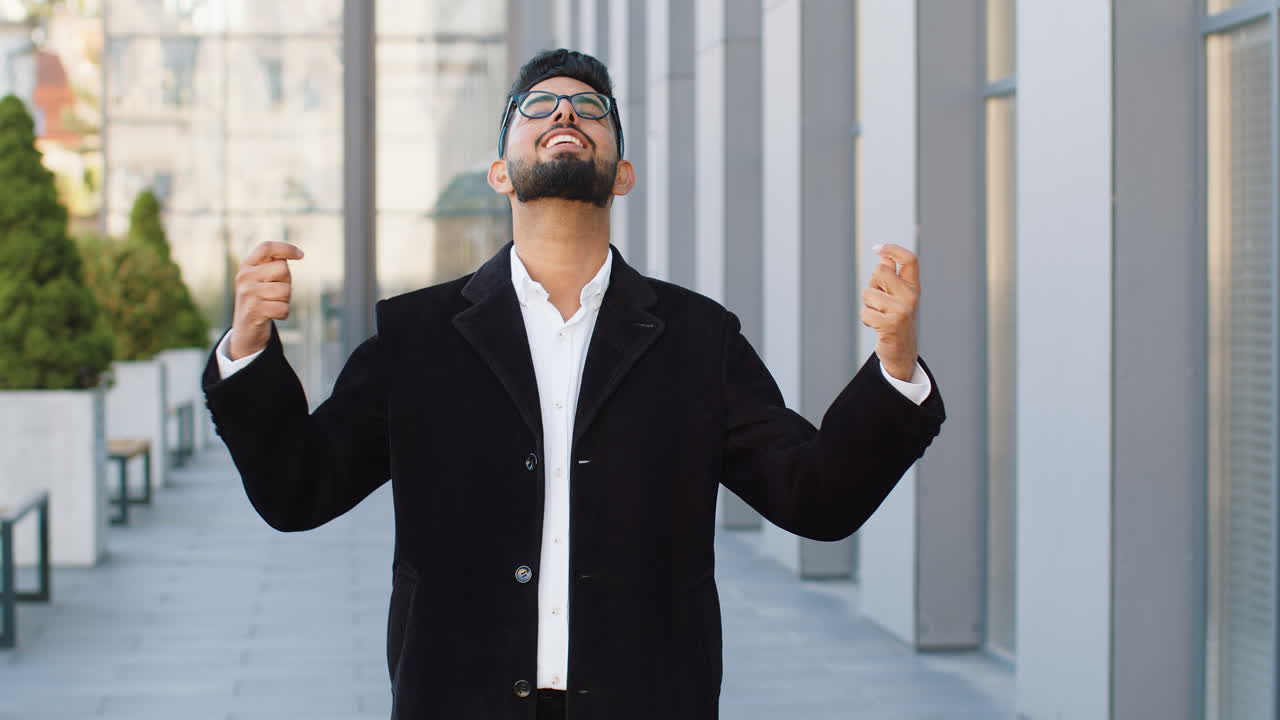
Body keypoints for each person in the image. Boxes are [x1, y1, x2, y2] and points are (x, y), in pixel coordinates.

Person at [203, 49, 945, 720]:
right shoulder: (416, 336)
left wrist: (896, 365)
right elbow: (299, 491)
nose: (565, 113)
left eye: (591, 109)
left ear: (623, 171)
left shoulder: (698, 338)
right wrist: (248, 348)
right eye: (538, 106)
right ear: (501, 170)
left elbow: (815, 497)